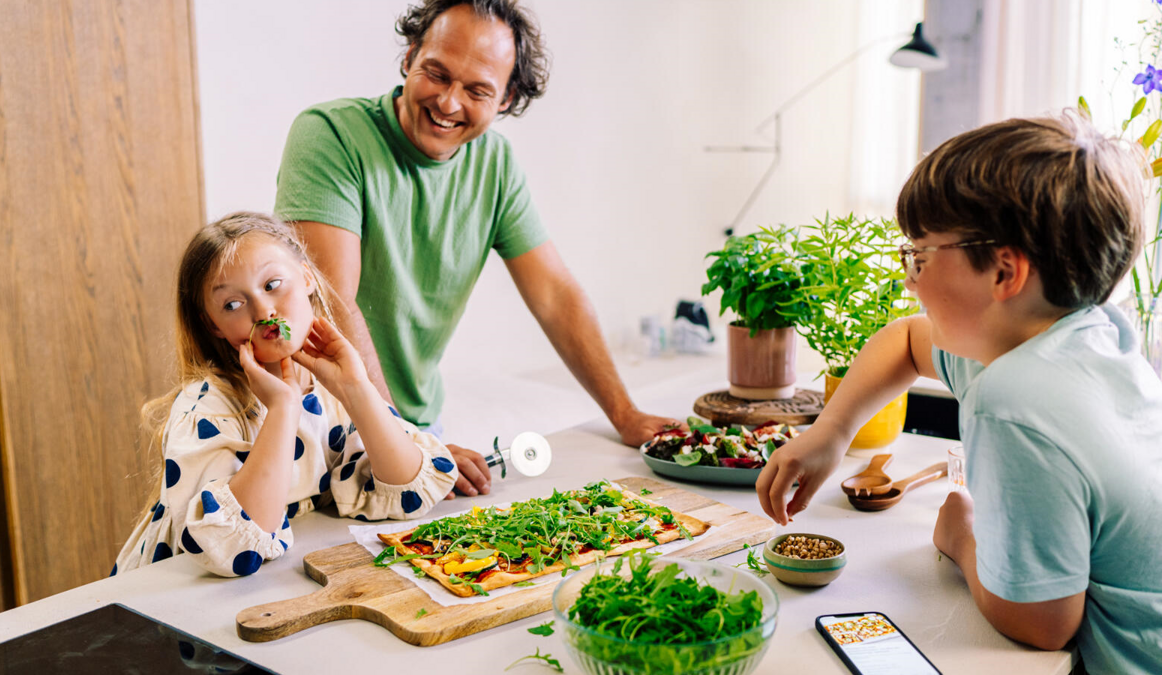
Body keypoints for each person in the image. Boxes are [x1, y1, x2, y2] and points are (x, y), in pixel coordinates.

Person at [755, 112, 1162, 673]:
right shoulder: (1089, 334)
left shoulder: (1013, 398)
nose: (908, 280)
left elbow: (1042, 623)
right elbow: (905, 341)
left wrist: (960, 535)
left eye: (919, 256)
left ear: (1004, 271)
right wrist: (831, 432)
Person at [274, 0, 678, 498]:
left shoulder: (496, 164)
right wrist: (404, 441)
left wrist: (625, 414)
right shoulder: (331, 135)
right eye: (436, 74)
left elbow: (554, 295)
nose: (447, 103)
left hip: (415, 428)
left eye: (476, 90)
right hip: (324, 425)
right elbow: (332, 300)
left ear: (506, 99)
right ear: (409, 57)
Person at [115, 212, 458, 577]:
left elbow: (410, 492)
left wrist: (356, 388)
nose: (263, 311)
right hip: (165, 600)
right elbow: (234, 551)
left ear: (307, 276)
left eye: (273, 284)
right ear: (214, 326)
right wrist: (283, 408)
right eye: (233, 304)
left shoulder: (331, 390)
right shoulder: (208, 407)